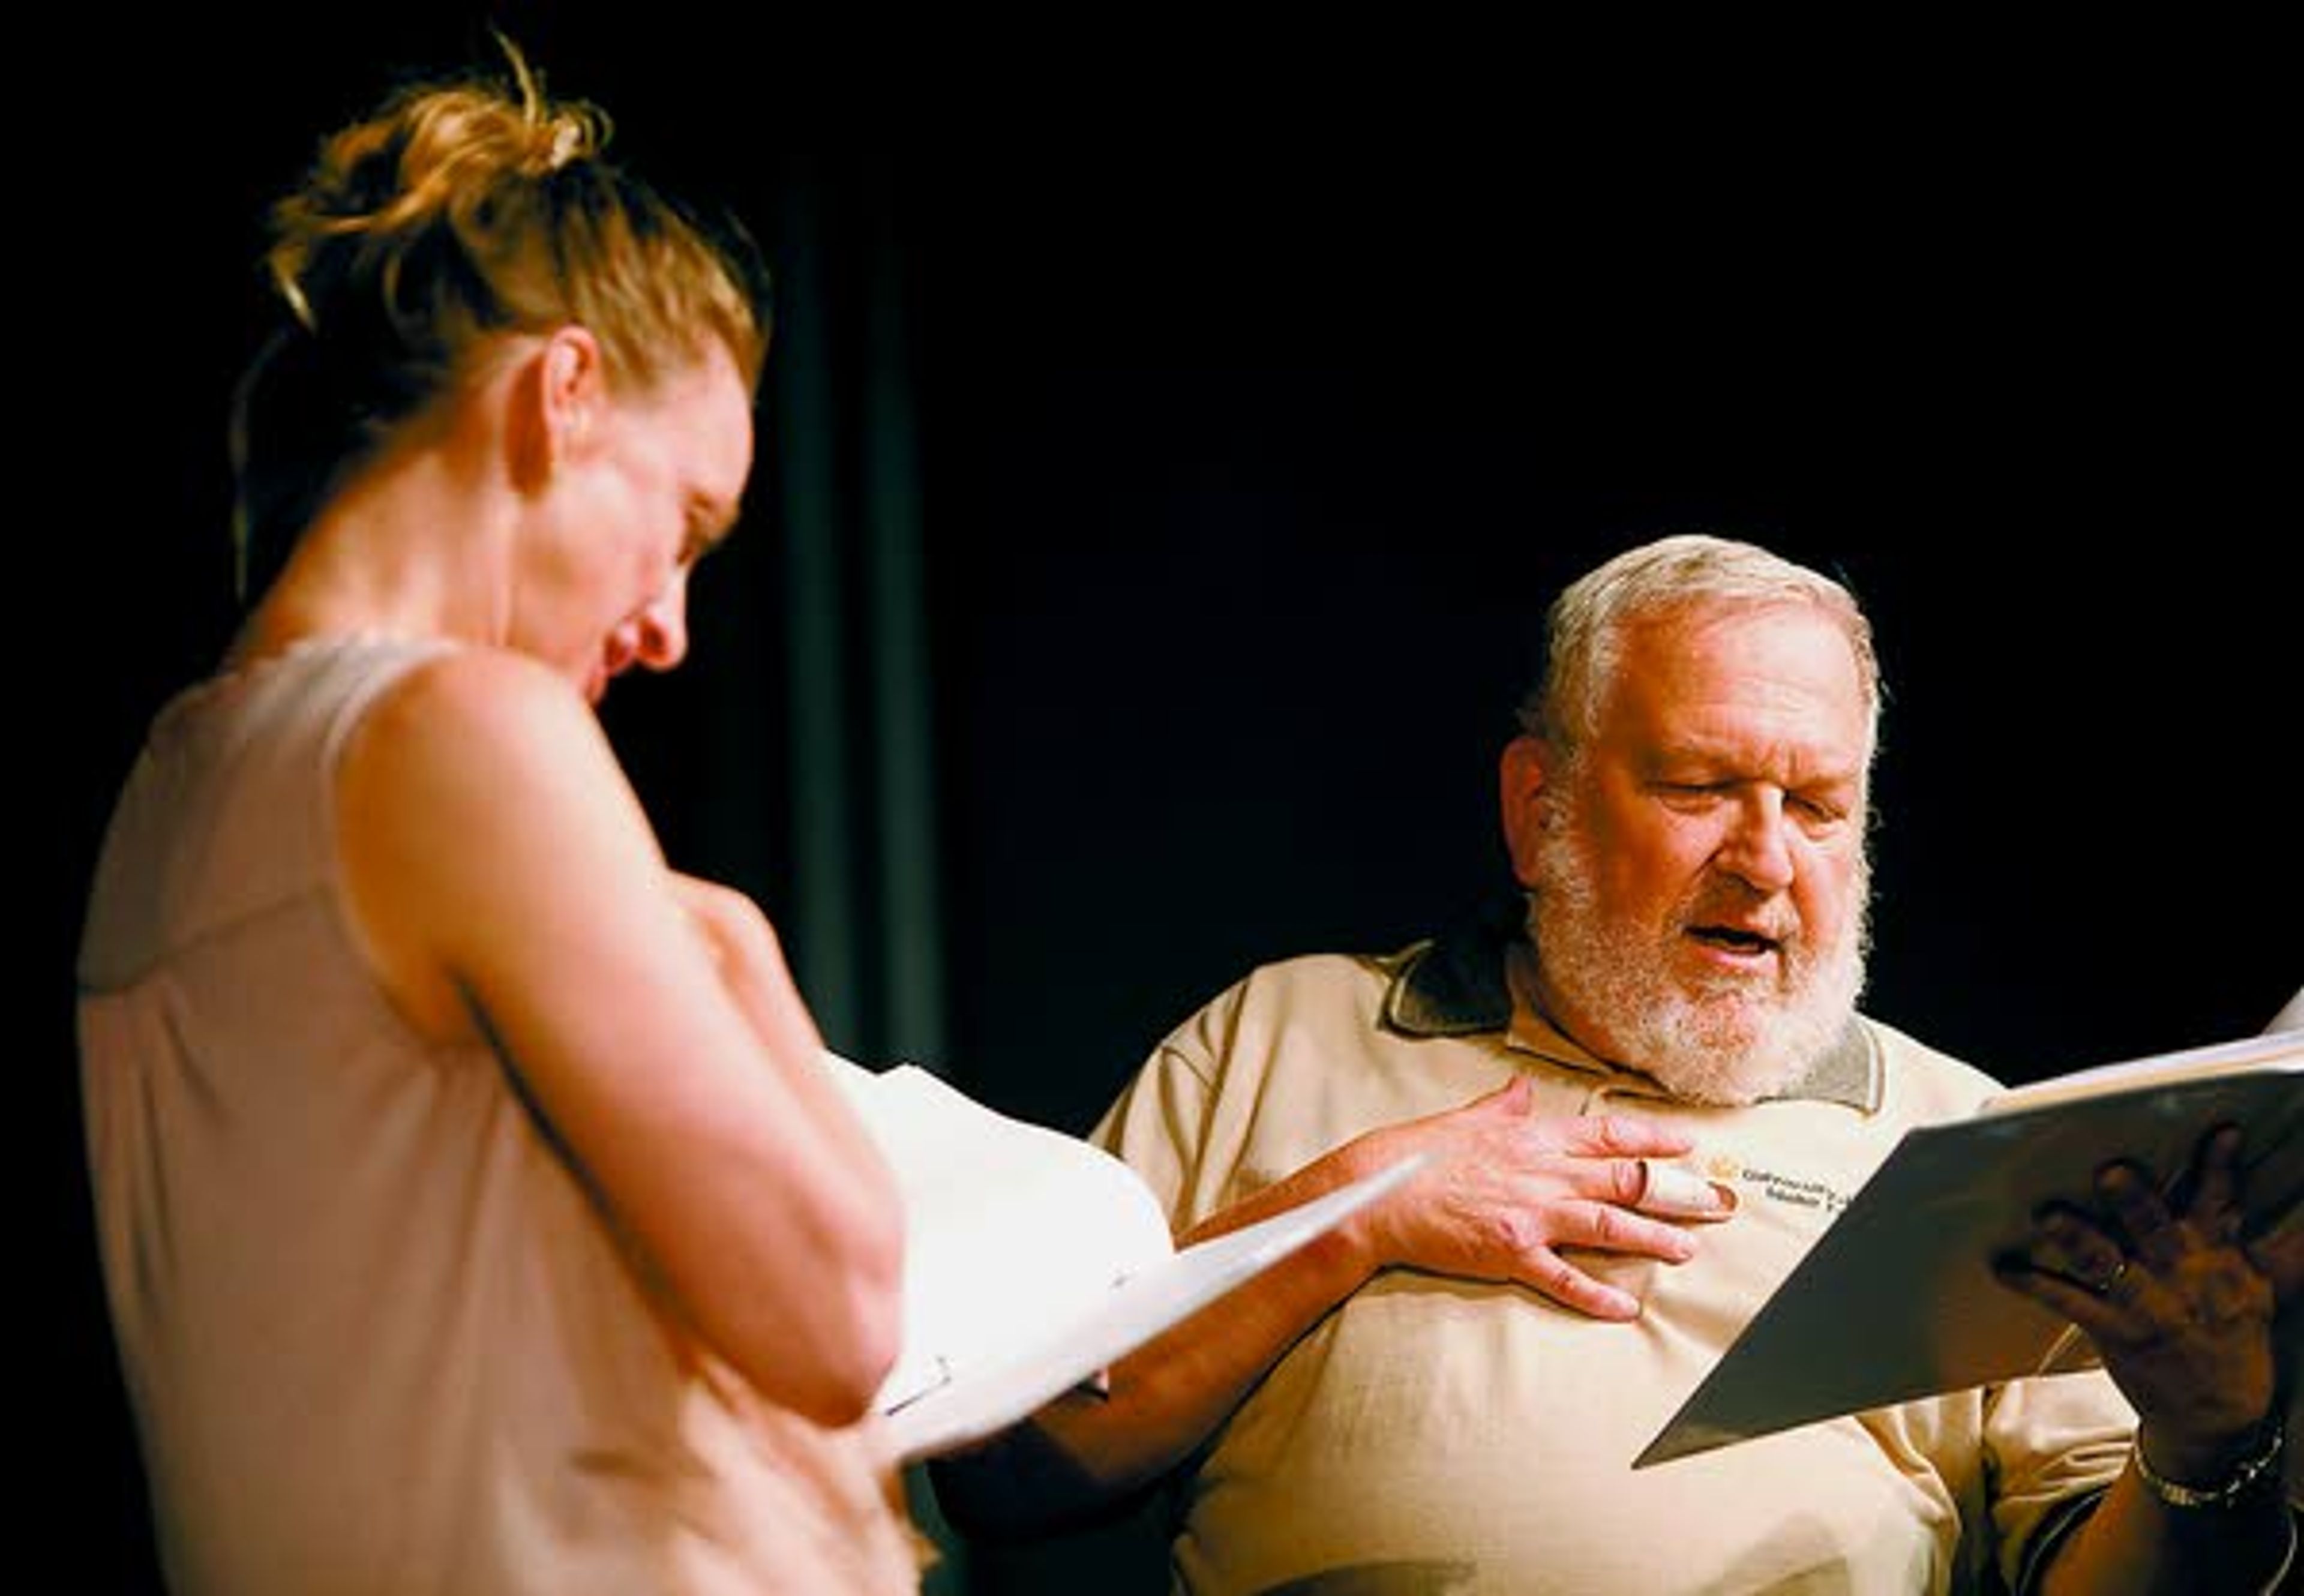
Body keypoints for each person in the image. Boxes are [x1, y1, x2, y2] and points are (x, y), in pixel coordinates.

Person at [931, 533, 2302, 1594]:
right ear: (1542, 811)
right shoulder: (1280, 1039)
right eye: (1702, 788)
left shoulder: (1966, 1136)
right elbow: (1017, 1463)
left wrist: (2208, 1437)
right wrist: (1366, 1202)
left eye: (1817, 805)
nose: (1767, 861)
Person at [74, 40, 928, 1595]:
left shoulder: (174, 781)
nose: (669, 624)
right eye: (681, 526)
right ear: (567, 391)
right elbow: (841, 1315)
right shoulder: (457, 732)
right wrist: (730, 944)